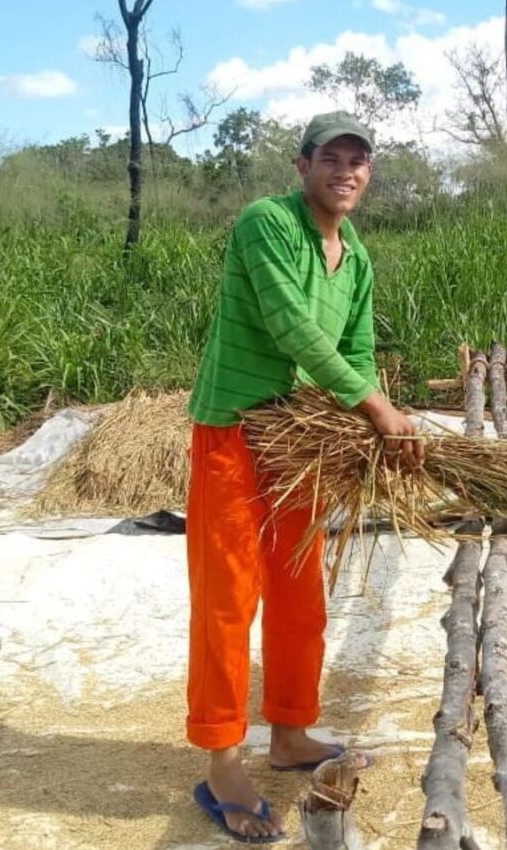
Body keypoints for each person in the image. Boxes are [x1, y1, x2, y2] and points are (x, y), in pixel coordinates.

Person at [185, 111, 424, 843]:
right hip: (235, 428)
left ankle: (289, 732)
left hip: (302, 444)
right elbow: (291, 325)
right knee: (229, 596)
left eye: (359, 161)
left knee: (298, 591)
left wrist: (370, 416)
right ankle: (223, 760)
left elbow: (353, 348)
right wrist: (376, 408)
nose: (345, 171)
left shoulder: (355, 256)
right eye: (331, 158)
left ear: (368, 174)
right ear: (302, 165)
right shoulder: (266, 224)